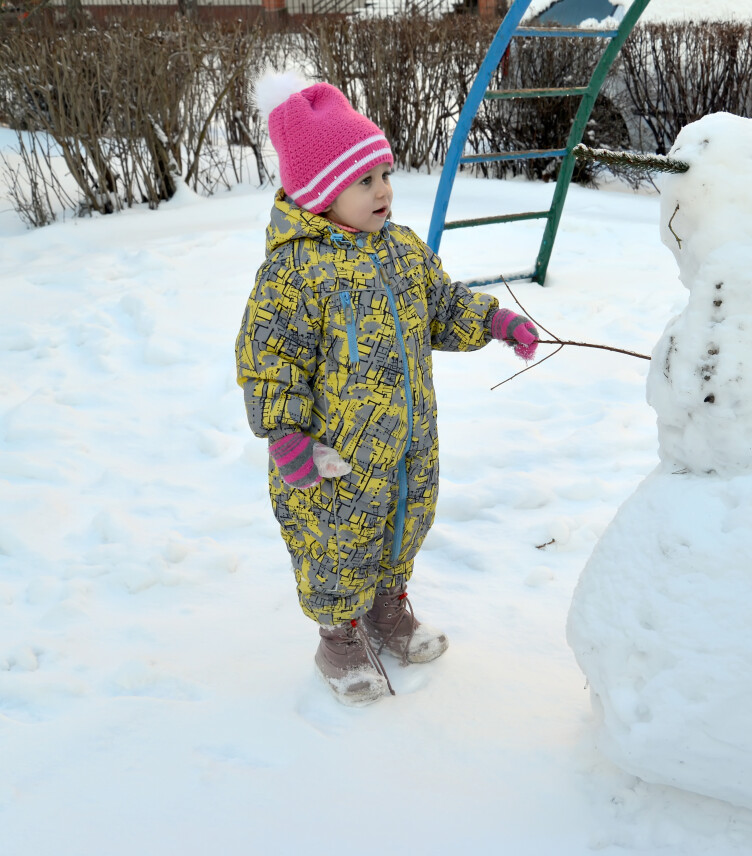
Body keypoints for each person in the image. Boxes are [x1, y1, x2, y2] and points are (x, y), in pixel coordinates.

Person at [235, 76, 538, 705]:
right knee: (338, 541)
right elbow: (270, 361)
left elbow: (440, 305)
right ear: (320, 192)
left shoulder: (401, 250)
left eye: (385, 175)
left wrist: (492, 320)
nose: (384, 192)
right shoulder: (294, 271)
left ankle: (386, 608)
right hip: (335, 456)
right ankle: (339, 634)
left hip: (406, 440)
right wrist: (287, 437)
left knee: (404, 520)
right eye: (365, 181)